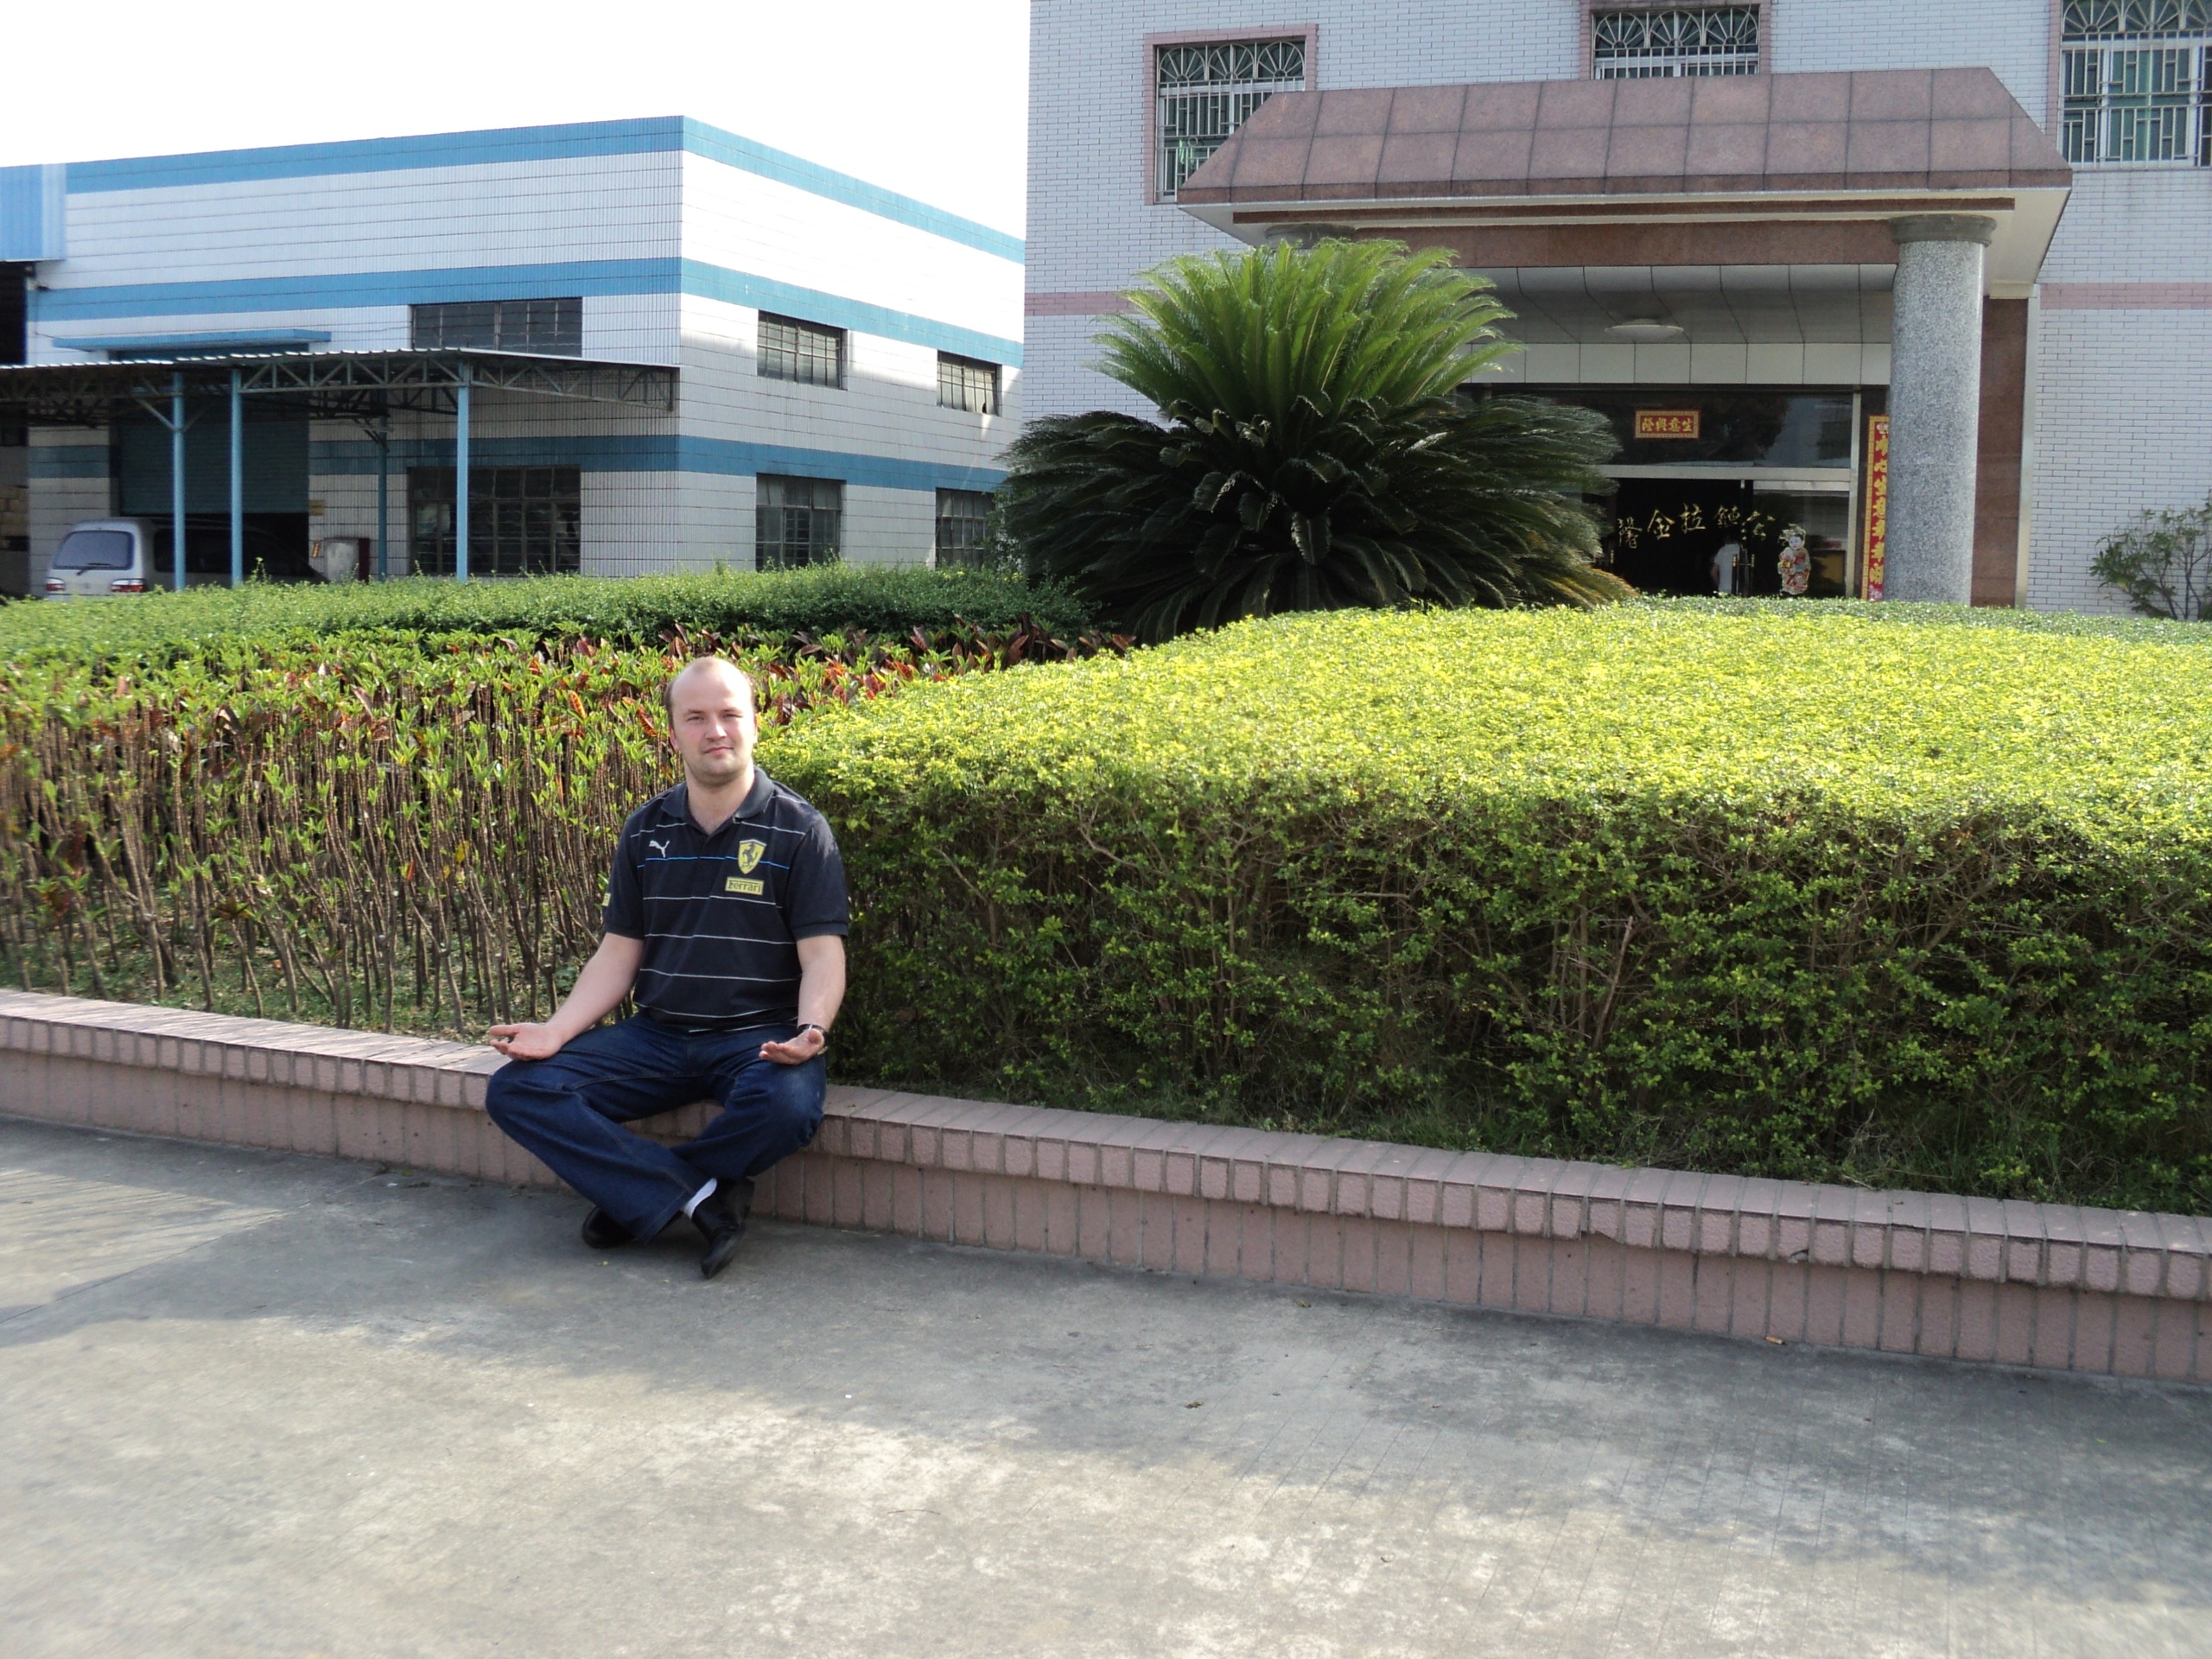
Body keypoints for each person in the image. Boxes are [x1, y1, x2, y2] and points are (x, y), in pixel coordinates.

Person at [483, 656, 849, 1279]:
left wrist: (811, 1029)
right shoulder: (645, 829)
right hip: (656, 1038)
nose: (716, 731)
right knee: (518, 1091)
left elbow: (822, 955)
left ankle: (649, 1196)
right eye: (696, 718)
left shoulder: (800, 831)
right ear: (673, 732)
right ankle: (704, 1198)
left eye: (730, 714)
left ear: (755, 722)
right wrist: (557, 1030)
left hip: (757, 1041)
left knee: (788, 1107)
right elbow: (618, 951)